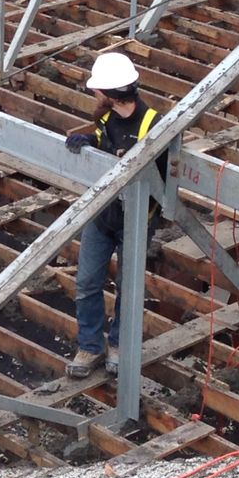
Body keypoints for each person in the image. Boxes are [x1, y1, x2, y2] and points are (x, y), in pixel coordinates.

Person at [63, 52, 163, 378]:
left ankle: (119, 345)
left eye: (98, 90)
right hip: (102, 213)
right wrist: (89, 141)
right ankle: (90, 347)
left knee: (126, 285)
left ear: (111, 93)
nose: (94, 94)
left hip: (135, 219)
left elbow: (164, 178)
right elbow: (107, 140)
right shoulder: (106, 119)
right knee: (87, 281)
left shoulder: (154, 124)